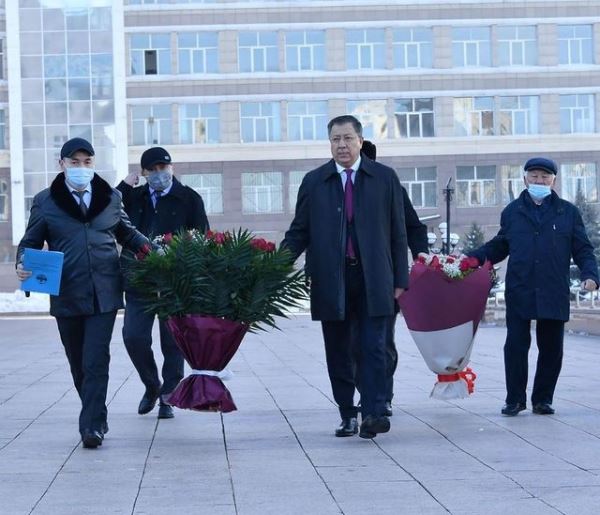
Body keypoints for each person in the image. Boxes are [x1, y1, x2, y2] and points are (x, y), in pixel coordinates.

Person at [15, 137, 149, 449]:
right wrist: (23, 264)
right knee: (78, 362)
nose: (81, 168)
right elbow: (30, 242)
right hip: (66, 293)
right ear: (61, 165)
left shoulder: (111, 197)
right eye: (74, 162)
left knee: (95, 359)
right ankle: (96, 413)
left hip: (104, 290)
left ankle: (91, 427)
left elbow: (126, 232)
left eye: (87, 162)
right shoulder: (46, 201)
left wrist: (153, 250)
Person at [282, 115, 409, 439]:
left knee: (374, 347)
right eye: (336, 139)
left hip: (375, 278)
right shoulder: (315, 181)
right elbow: (299, 232)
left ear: (361, 141)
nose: (342, 145)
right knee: (338, 350)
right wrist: (275, 265)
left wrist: (400, 279)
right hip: (331, 279)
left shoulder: (384, 178)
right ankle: (347, 413)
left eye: (348, 138)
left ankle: (373, 412)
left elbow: (398, 231)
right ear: (330, 143)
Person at [468, 157, 599, 416]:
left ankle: (542, 399)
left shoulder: (567, 212)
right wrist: (472, 259)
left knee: (551, 347)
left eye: (545, 177)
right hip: (520, 286)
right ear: (525, 178)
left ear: (553, 180)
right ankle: (515, 399)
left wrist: (591, 274)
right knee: (516, 345)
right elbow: (500, 245)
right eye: (534, 176)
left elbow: (582, 248)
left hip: (553, 287)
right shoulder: (513, 212)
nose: (539, 181)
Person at [117, 147, 209, 419]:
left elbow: (202, 236)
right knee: (134, 336)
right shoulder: (133, 197)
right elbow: (106, 210)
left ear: (172, 168)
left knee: (173, 341)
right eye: (153, 170)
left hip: (174, 280)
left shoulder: (189, 198)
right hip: (139, 278)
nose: (159, 174)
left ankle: (169, 394)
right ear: (144, 173)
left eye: (163, 168)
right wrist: (122, 186)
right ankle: (151, 384)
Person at [359, 140, 428, 416]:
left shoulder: (392, 188)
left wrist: (422, 256)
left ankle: (381, 396)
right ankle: (365, 394)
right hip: (346, 281)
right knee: (353, 344)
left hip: (384, 281)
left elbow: (414, 228)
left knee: (381, 342)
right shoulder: (334, 189)